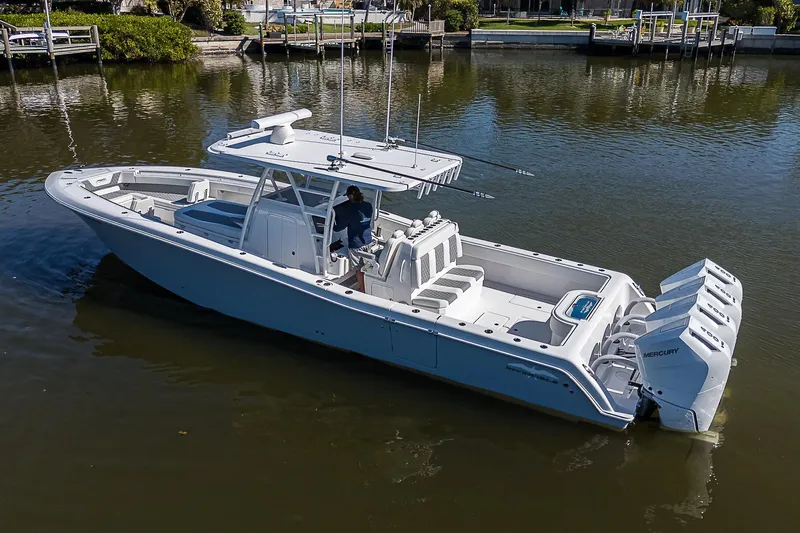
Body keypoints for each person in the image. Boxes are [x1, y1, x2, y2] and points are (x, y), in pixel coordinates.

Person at [333, 185, 373, 292]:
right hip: (368, 240)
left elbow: (338, 227)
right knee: (367, 266)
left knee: (358, 269)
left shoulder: (350, 211)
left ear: (350, 196)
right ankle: (369, 285)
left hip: (356, 244)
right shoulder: (368, 206)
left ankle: (362, 290)